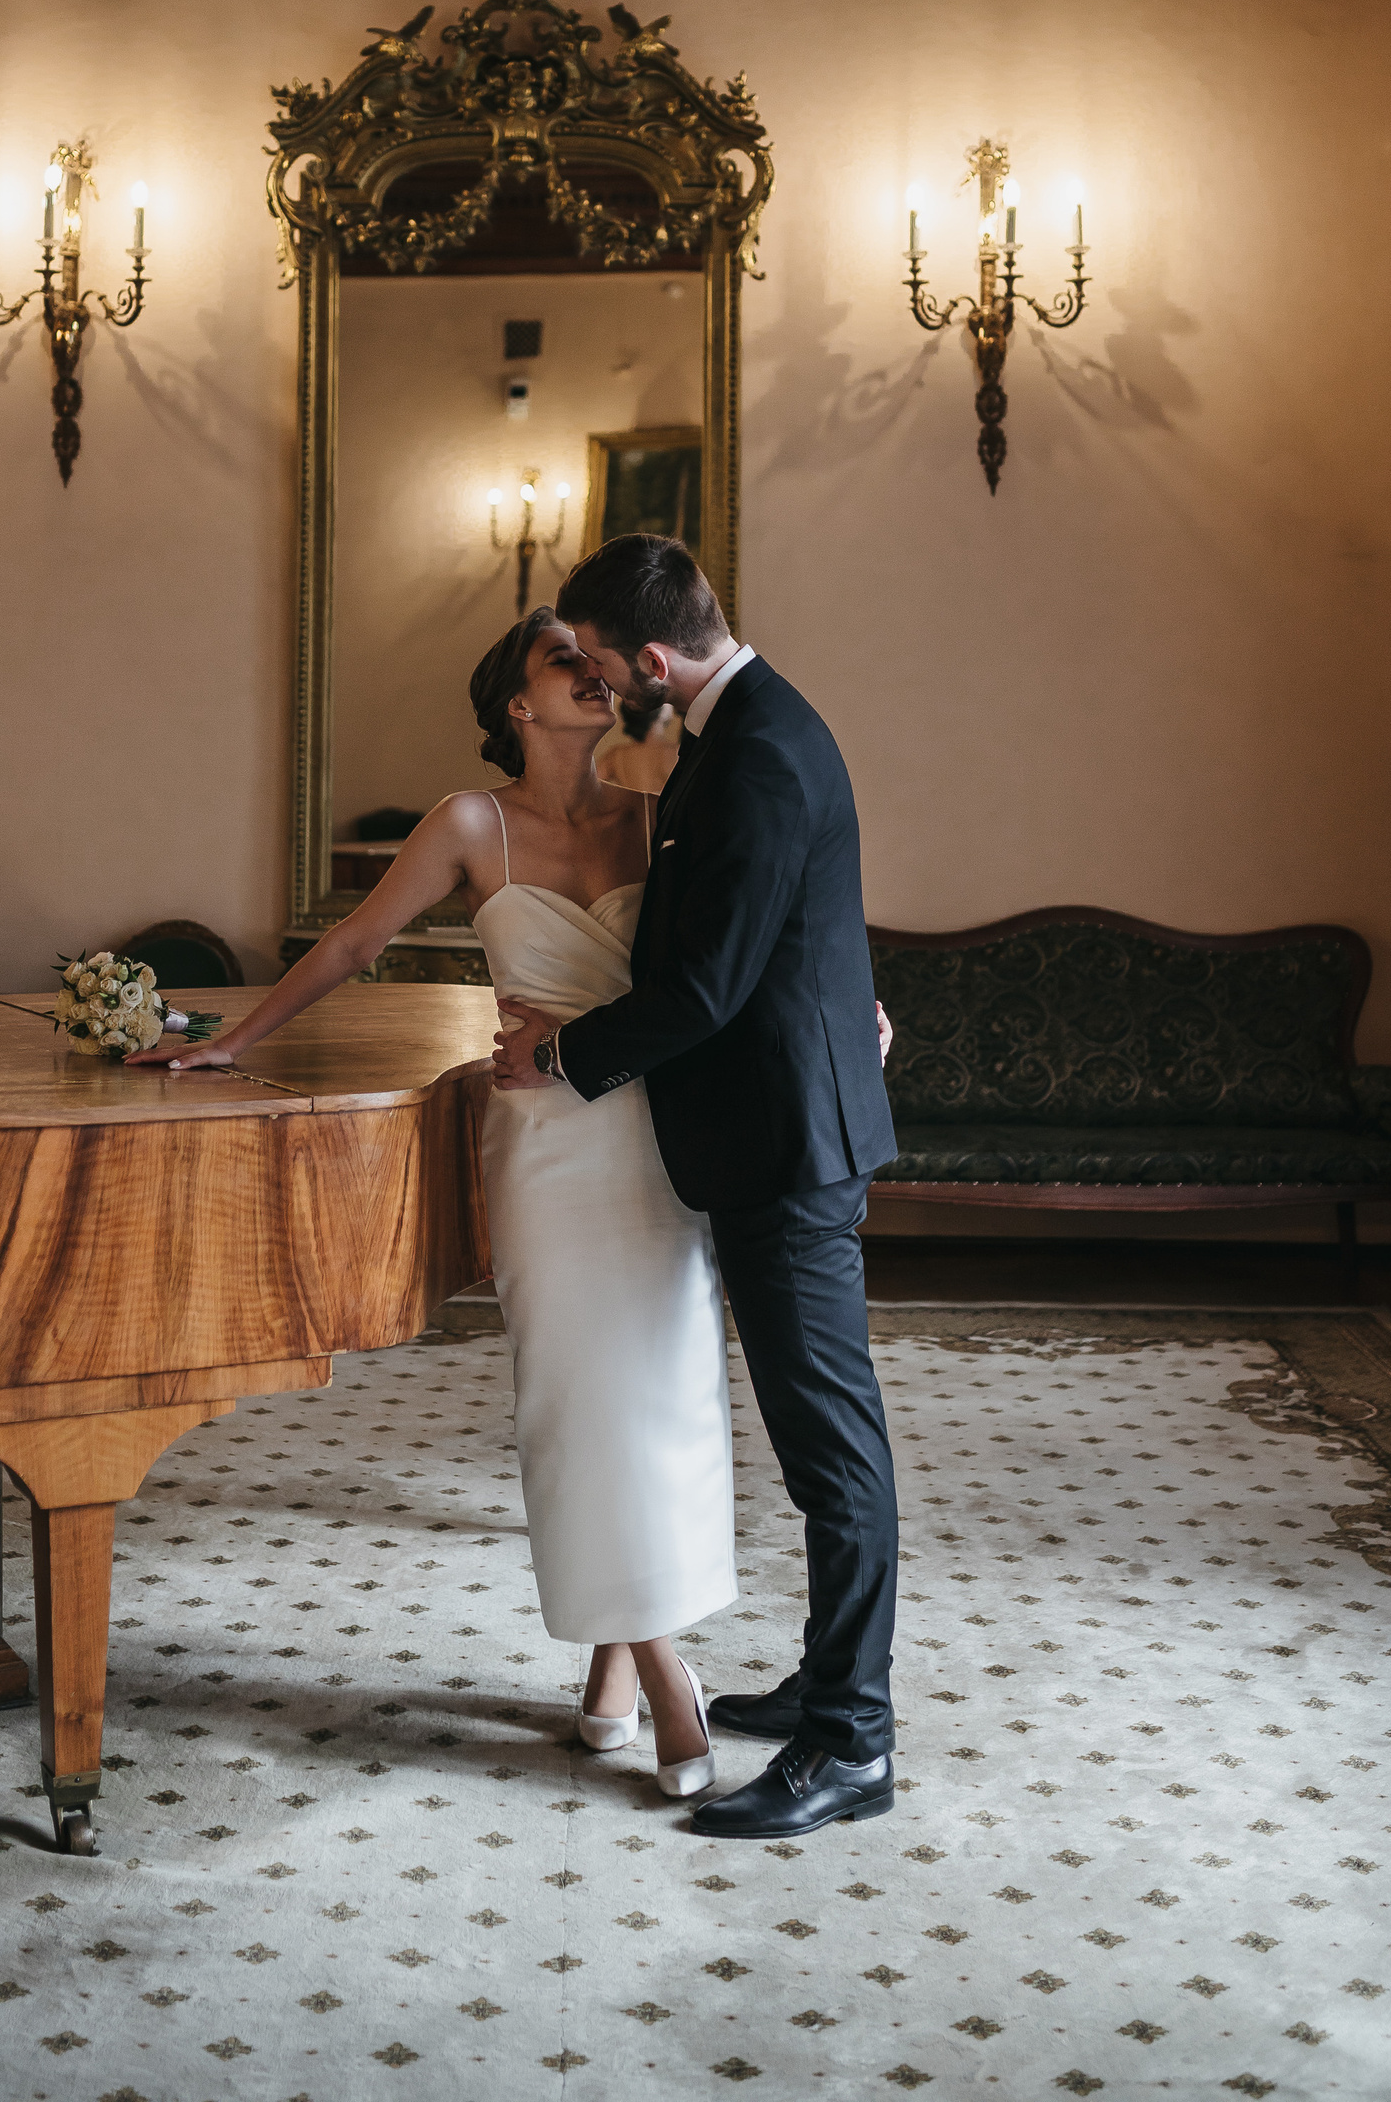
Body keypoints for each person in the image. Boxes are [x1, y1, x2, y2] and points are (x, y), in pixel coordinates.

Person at [131, 606, 734, 1794]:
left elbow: (722, 960)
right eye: (561, 660)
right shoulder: (470, 824)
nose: (590, 672)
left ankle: (616, 1663)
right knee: (579, 1400)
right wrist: (232, 1040)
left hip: (654, 1135)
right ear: (516, 703)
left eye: (594, 658)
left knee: (665, 1396)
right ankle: (670, 1674)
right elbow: (354, 945)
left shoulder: (656, 810)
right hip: (544, 1146)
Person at [494, 532, 901, 1842]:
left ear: (657, 659)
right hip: (767, 1129)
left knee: (832, 1457)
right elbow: (782, 927)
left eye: (605, 665)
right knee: (815, 1445)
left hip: (788, 1149)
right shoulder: (741, 734)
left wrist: (561, 1052)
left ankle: (853, 1743)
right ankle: (825, 1688)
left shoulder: (761, 750)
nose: (602, 686)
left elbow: (710, 985)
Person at [595, 693, 681, 796]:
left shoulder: (616, 755)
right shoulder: (677, 752)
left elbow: (588, 786)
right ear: (662, 712)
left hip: (630, 806)